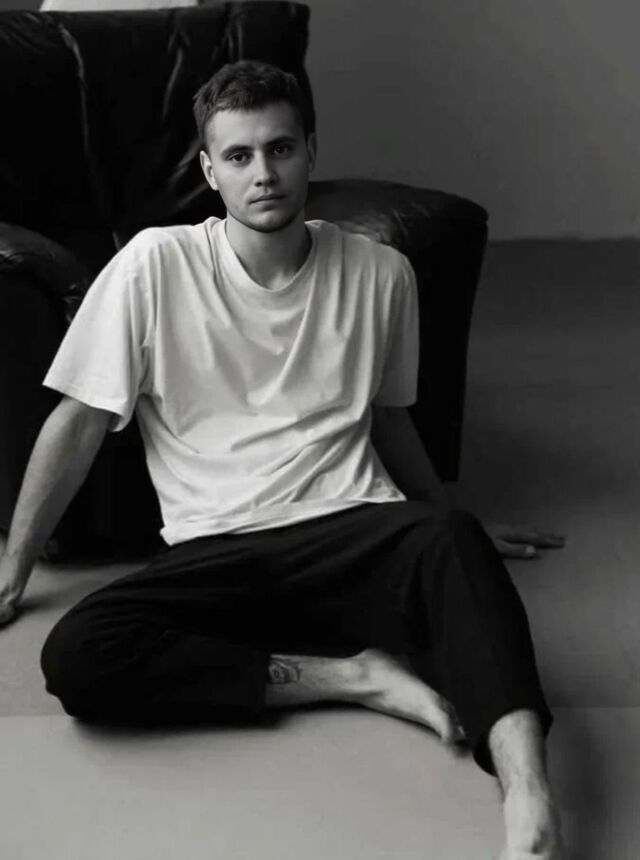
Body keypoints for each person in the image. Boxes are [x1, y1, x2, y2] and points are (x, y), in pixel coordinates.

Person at [0, 60, 566, 858]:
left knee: (454, 544)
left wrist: (449, 516)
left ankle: (530, 800)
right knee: (77, 655)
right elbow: (80, 421)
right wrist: (13, 570)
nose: (262, 173)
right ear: (209, 170)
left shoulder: (382, 273)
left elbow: (388, 418)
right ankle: (354, 676)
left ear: (310, 152)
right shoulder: (155, 266)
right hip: (220, 547)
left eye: (280, 148)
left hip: (353, 531)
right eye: (238, 156)